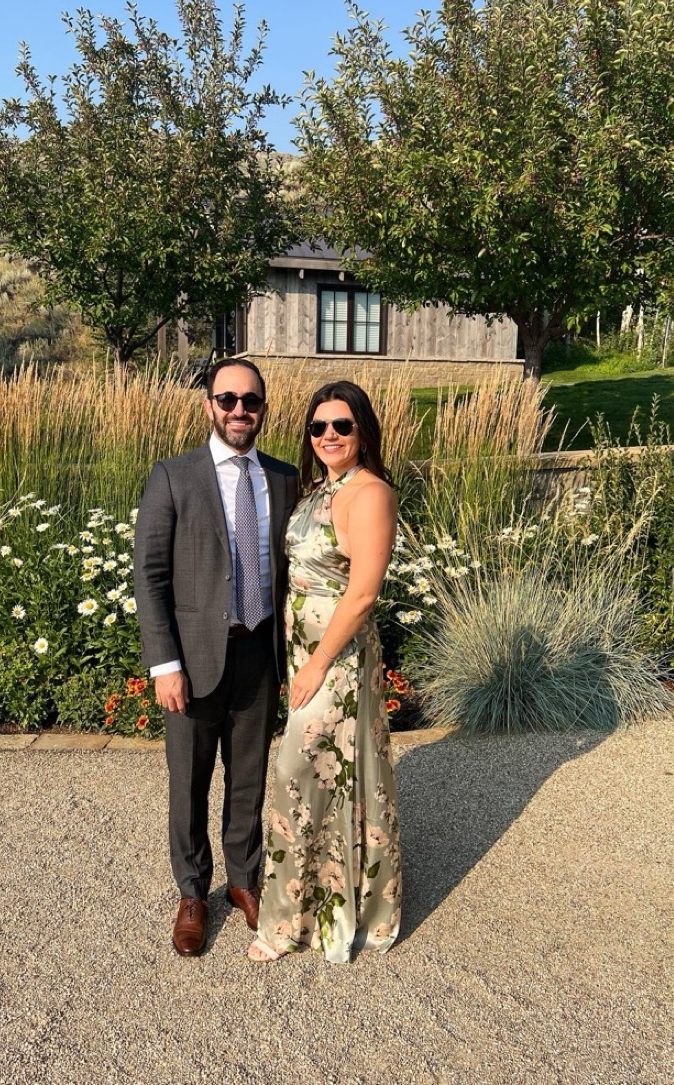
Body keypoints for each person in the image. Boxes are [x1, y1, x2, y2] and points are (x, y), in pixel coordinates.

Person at [134, 358, 299, 957]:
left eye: (250, 401)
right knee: (189, 781)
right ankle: (191, 893)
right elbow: (150, 576)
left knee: (248, 778)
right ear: (209, 405)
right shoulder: (173, 476)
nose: (238, 410)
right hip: (194, 658)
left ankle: (243, 880)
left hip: (259, 652)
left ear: (263, 409)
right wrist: (165, 664)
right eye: (227, 399)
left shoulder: (283, 479)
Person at [248, 380, 401, 964]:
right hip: (301, 651)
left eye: (342, 425)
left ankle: (286, 923)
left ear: (363, 430)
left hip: (336, 657)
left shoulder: (371, 494)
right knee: (322, 777)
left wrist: (315, 664)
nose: (329, 435)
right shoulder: (316, 490)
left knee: (296, 770)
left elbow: (362, 593)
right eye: (318, 427)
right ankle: (317, 905)